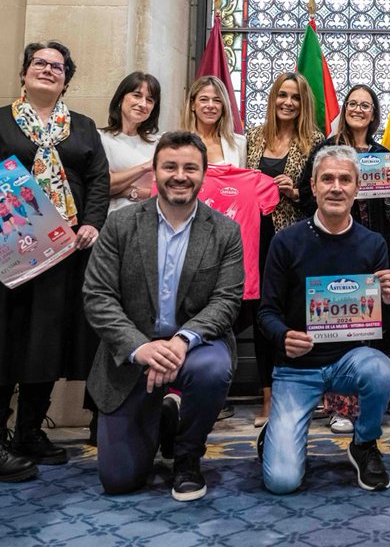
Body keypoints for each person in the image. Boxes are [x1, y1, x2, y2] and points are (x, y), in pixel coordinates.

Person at [0, 41, 109, 482]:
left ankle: (30, 432)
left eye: (57, 66)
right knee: (0, 340)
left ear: (66, 79)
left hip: (62, 254)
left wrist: (92, 223)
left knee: (45, 341)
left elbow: (97, 180)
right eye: (40, 63)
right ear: (24, 72)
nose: (48, 70)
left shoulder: (84, 127)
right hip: (4, 258)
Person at [82, 131, 244, 501]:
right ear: (154, 171)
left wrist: (179, 342)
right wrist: (140, 348)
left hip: (194, 346)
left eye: (190, 167)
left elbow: (226, 301)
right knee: (119, 480)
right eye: (170, 166)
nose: (180, 175)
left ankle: (188, 456)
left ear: (204, 175)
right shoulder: (120, 226)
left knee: (212, 369)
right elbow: (97, 296)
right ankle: (167, 416)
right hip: (133, 353)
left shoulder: (225, 231)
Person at [258, 145, 390, 494]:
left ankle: (364, 443)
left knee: (380, 370)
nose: (336, 187)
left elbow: (382, 330)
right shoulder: (286, 241)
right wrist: (283, 336)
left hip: (349, 362)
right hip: (297, 368)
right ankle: (276, 430)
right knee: (282, 482)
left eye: (344, 179)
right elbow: (266, 313)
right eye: (328, 179)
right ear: (313, 185)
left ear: (357, 187)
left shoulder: (373, 244)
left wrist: (389, 301)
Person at [298, 84, 390, 431]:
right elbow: (305, 196)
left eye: (366, 105)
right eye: (353, 104)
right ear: (344, 109)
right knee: (339, 323)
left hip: (376, 247)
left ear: (374, 114)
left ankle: (375, 394)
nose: (359, 110)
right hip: (332, 247)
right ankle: (337, 402)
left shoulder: (382, 153)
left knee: (377, 320)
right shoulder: (327, 150)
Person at [245, 71, 324, 426]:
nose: (288, 103)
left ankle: (302, 394)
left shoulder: (315, 142)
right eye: (282, 95)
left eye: (295, 97)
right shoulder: (252, 137)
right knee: (264, 315)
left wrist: (295, 191)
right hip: (253, 238)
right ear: (274, 98)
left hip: (294, 239)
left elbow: (319, 200)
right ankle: (267, 398)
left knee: (295, 316)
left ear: (304, 103)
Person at [100, 71, 162, 213]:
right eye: (137, 95)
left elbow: (165, 192)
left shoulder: (158, 143)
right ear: (121, 98)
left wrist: (127, 191)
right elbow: (102, 185)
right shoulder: (100, 138)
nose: (142, 104)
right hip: (109, 219)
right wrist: (145, 167)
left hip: (149, 219)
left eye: (150, 100)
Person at [183, 75, 246, 167]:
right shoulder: (175, 142)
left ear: (224, 106)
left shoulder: (240, 143)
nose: (210, 105)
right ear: (193, 105)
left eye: (217, 100)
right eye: (204, 100)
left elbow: (243, 179)